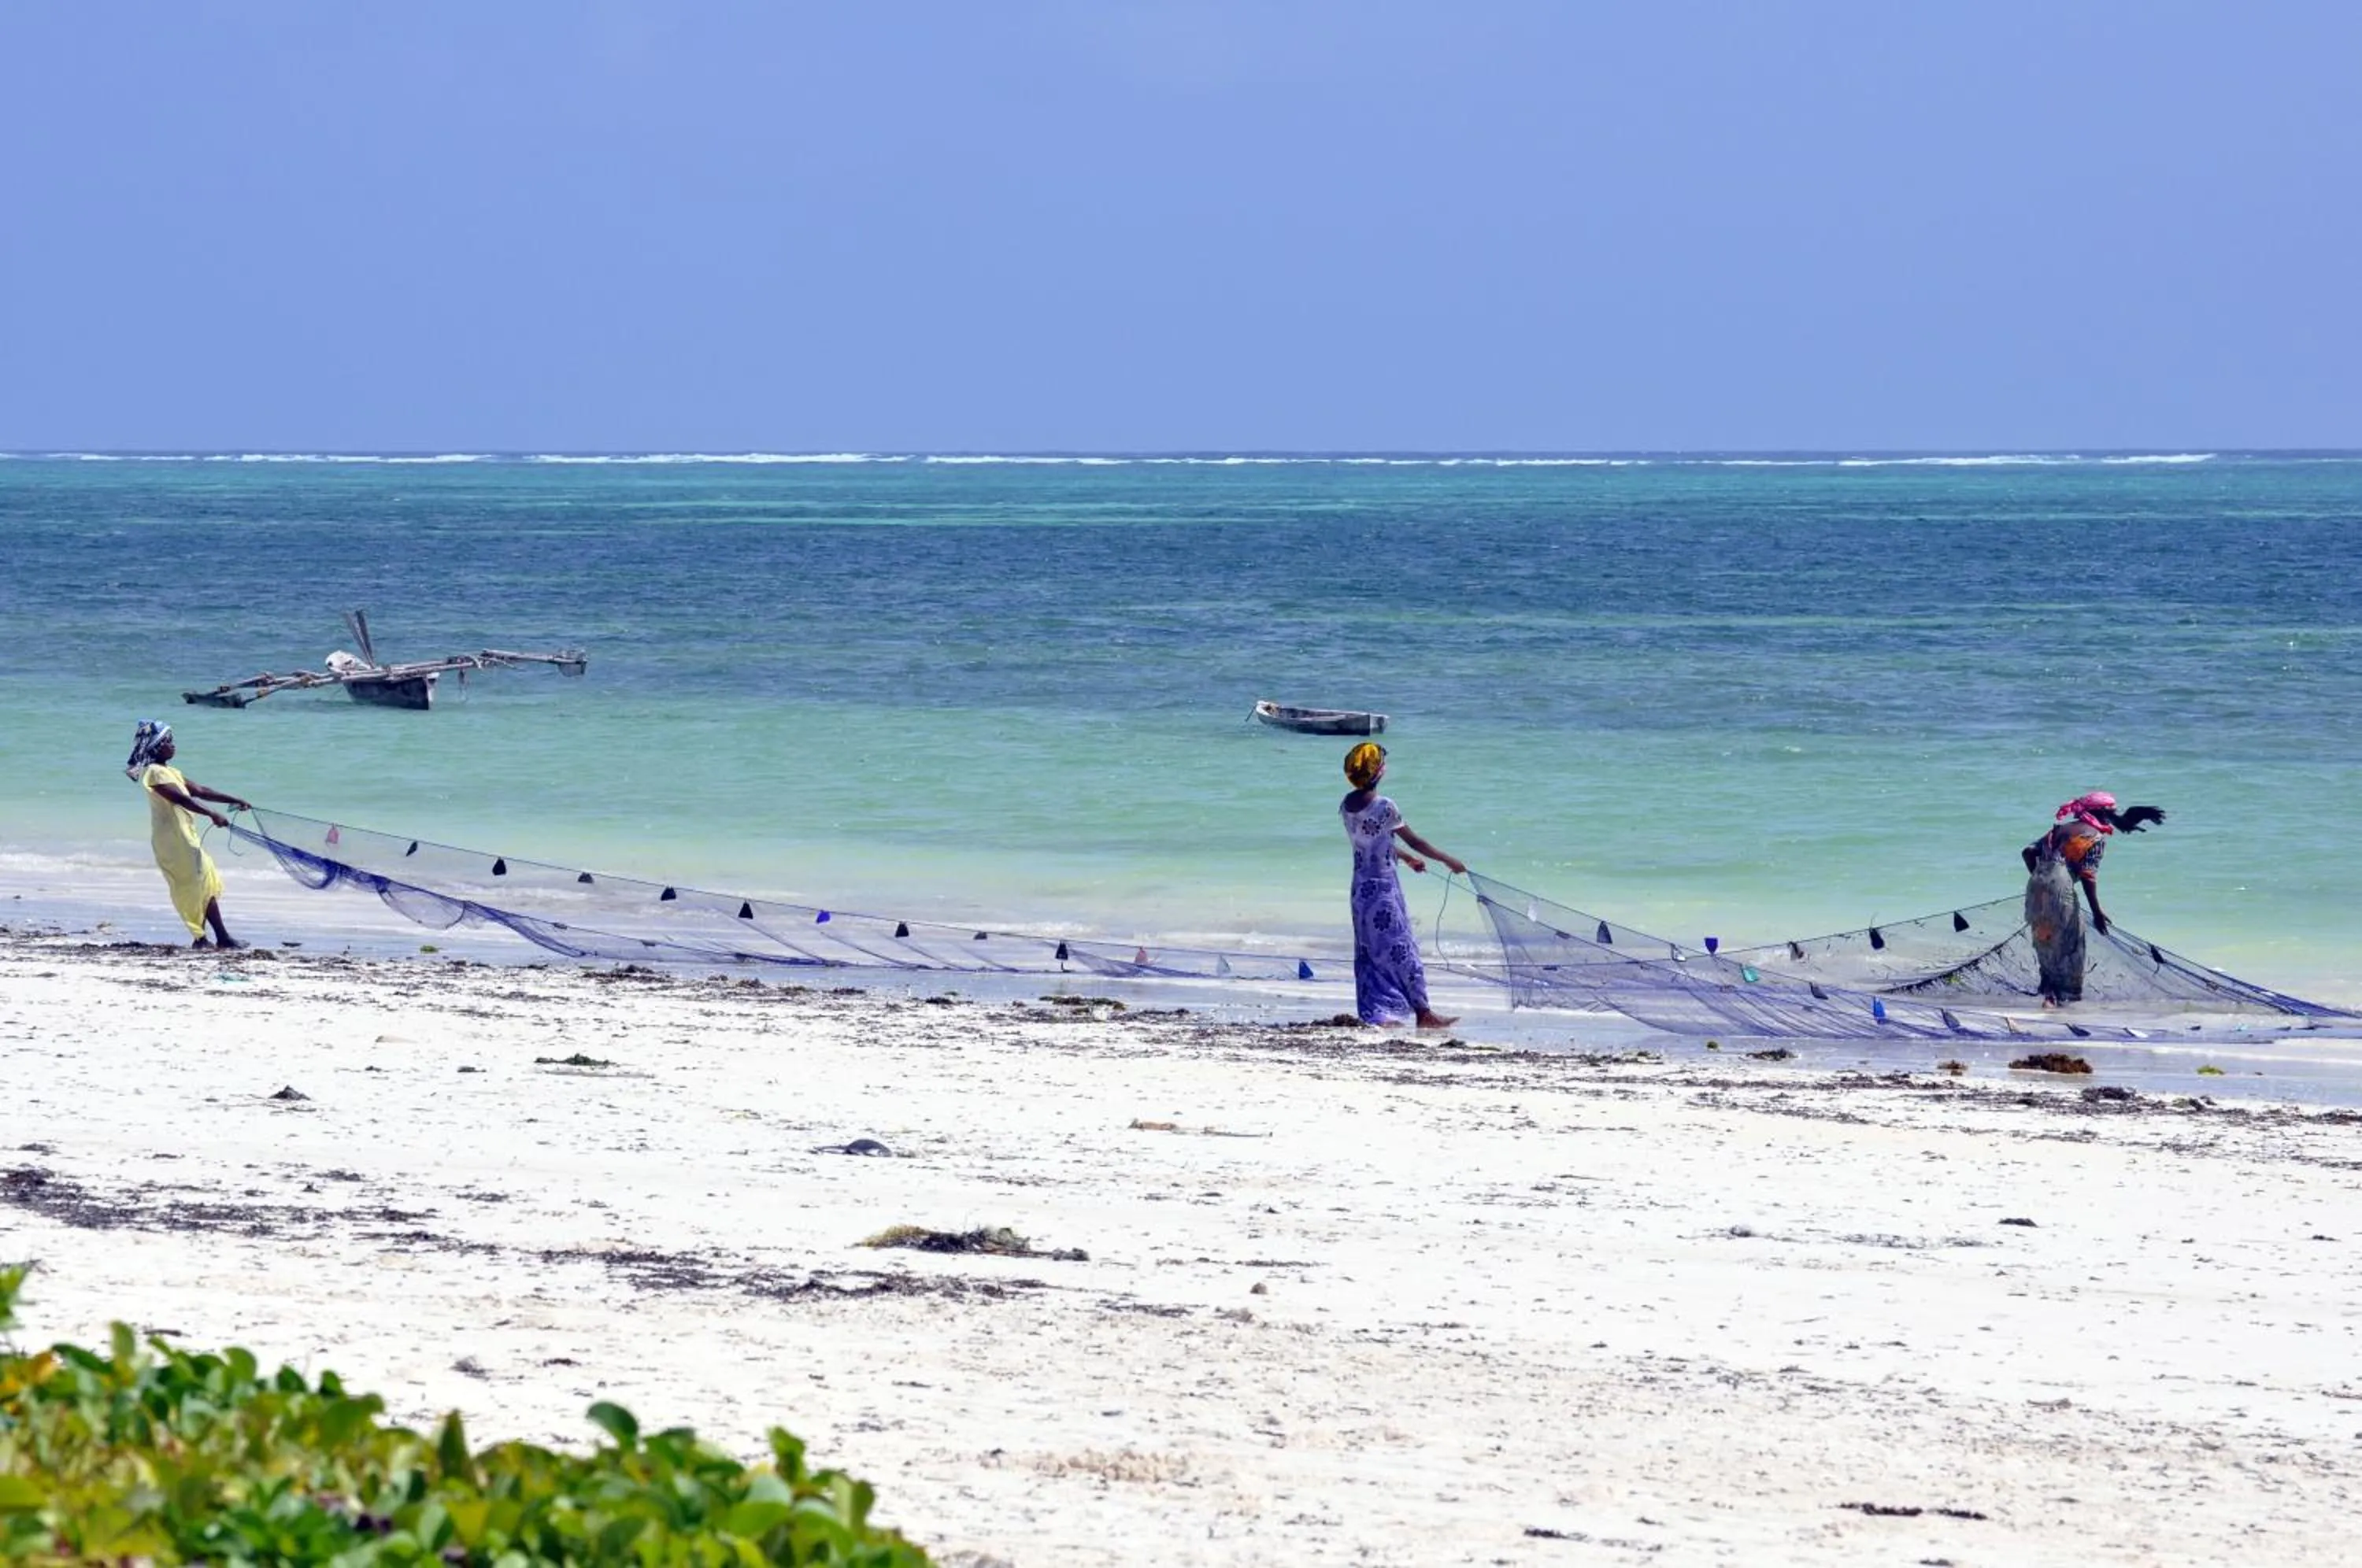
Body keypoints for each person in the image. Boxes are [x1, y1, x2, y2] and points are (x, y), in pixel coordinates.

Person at [1340, 741, 1466, 1029]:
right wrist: (1448, 860)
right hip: (1384, 891)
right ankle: (1424, 1013)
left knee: (1371, 954)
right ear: (1378, 772)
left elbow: (1372, 841)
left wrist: (1406, 859)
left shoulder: (1346, 805)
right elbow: (1415, 840)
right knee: (1402, 949)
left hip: (1361, 891)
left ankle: (1379, 1013)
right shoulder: (1385, 806)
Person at [2020, 790, 2166, 1007]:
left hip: (2036, 886)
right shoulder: (2094, 838)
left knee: (2045, 939)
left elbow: (2028, 852)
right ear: (2102, 813)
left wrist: (2041, 879)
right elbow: (2088, 875)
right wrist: (2097, 912)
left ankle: (2047, 991)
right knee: (2070, 942)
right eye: (2113, 812)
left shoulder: (2061, 829)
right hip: (2061, 887)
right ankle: (2058, 1000)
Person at [124, 721, 251, 949]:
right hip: (173, 840)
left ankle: (219, 938)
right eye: (167, 742)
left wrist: (234, 800)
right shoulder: (154, 773)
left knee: (205, 882)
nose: (173, 745)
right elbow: (181, 799)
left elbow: (201, 791)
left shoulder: (171, 772)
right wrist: (212, 814)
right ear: (155, 746)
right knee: (192, 885)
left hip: (185, 835)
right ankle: (202, 938)